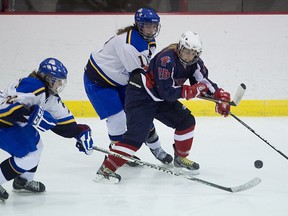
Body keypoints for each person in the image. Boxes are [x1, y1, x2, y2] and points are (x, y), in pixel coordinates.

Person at [94, 31, 231, 183]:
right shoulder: (166, 59)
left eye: (193, 53)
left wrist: (219, 97)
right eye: (186, 51)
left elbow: (204, 82)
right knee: (136, 138)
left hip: (158, 97)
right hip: (141, 95)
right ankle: (106, 169)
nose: (188, 56)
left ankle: (180, 158)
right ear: (180, 48)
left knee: (186, 121)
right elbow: (167, 92)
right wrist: (190, 90)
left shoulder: (195, 64)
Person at [83, 7, 173, 167]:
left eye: (154, 26)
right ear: (139, 25)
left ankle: (156, 148)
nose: (151, 30)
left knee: (142, 112)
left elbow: (143, 70)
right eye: (147, 26)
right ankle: (117, 152)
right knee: (118, 119)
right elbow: (140, 73)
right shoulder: (129, 45)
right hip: (98, 82)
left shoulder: (146, 41)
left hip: (121, 79)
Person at [0, 58, 94, 202]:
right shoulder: (33, 85)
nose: (60, 84)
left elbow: (63, 121)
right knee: (29, 156)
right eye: (58, 81)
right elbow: (5, 108)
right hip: (3, 123)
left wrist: (80, 133)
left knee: (37, 146)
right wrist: (30, 112)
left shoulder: (48, 95)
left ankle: (23, 181)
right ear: (48, 78)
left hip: (13, 123)